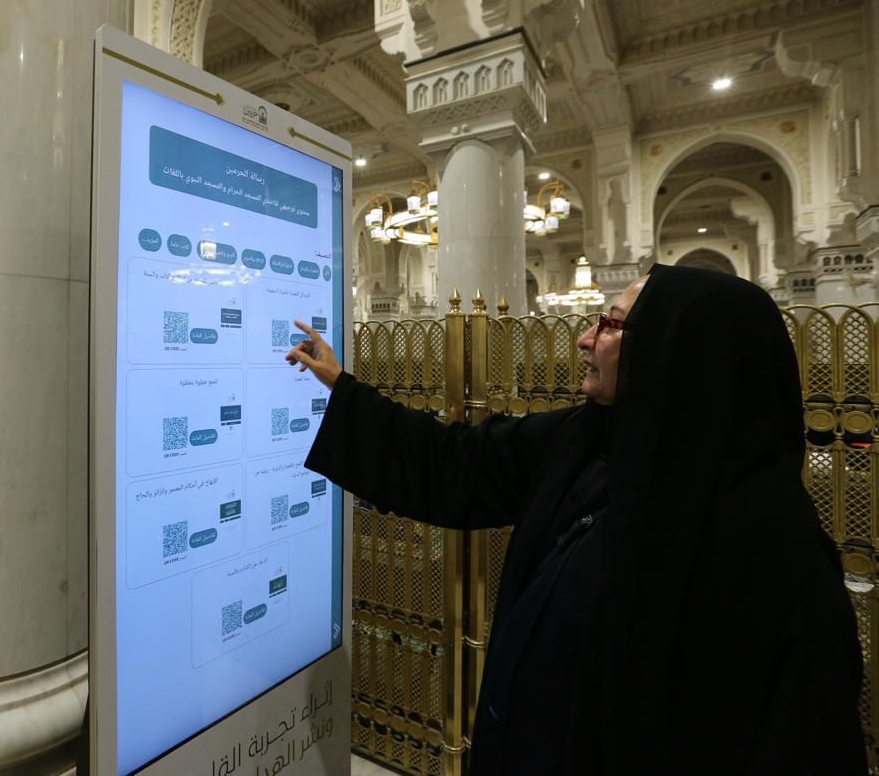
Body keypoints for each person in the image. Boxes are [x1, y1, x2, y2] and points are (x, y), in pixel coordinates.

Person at [287, 265, 866, 775]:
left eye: (611, 325)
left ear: (679, 351)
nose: (586, 339)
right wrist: (343, 389)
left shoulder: (778, 554)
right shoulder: (582, 440)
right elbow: (454, 462)